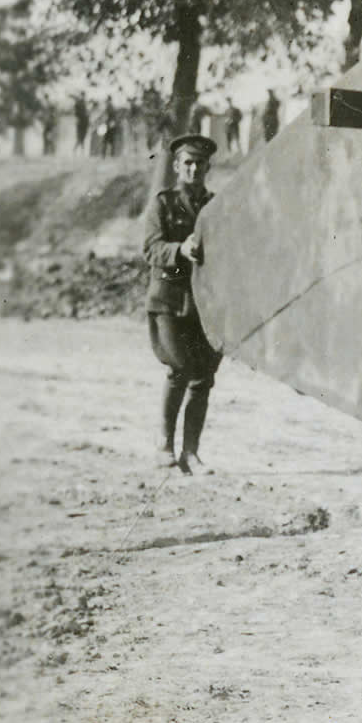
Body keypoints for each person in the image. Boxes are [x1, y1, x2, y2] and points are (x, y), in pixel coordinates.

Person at [143, 132, 221, 471]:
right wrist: (180, 250)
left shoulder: (217, 206)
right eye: (187, 163)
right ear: (176, 166)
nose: (194, 170)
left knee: (203, 377)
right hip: (169, 301)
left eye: (200, 164)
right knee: (179, 369)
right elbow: (151, 249)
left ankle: (191, 452)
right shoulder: (162, 204)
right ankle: (165, 445)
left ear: (207, 167)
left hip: (205, 304)